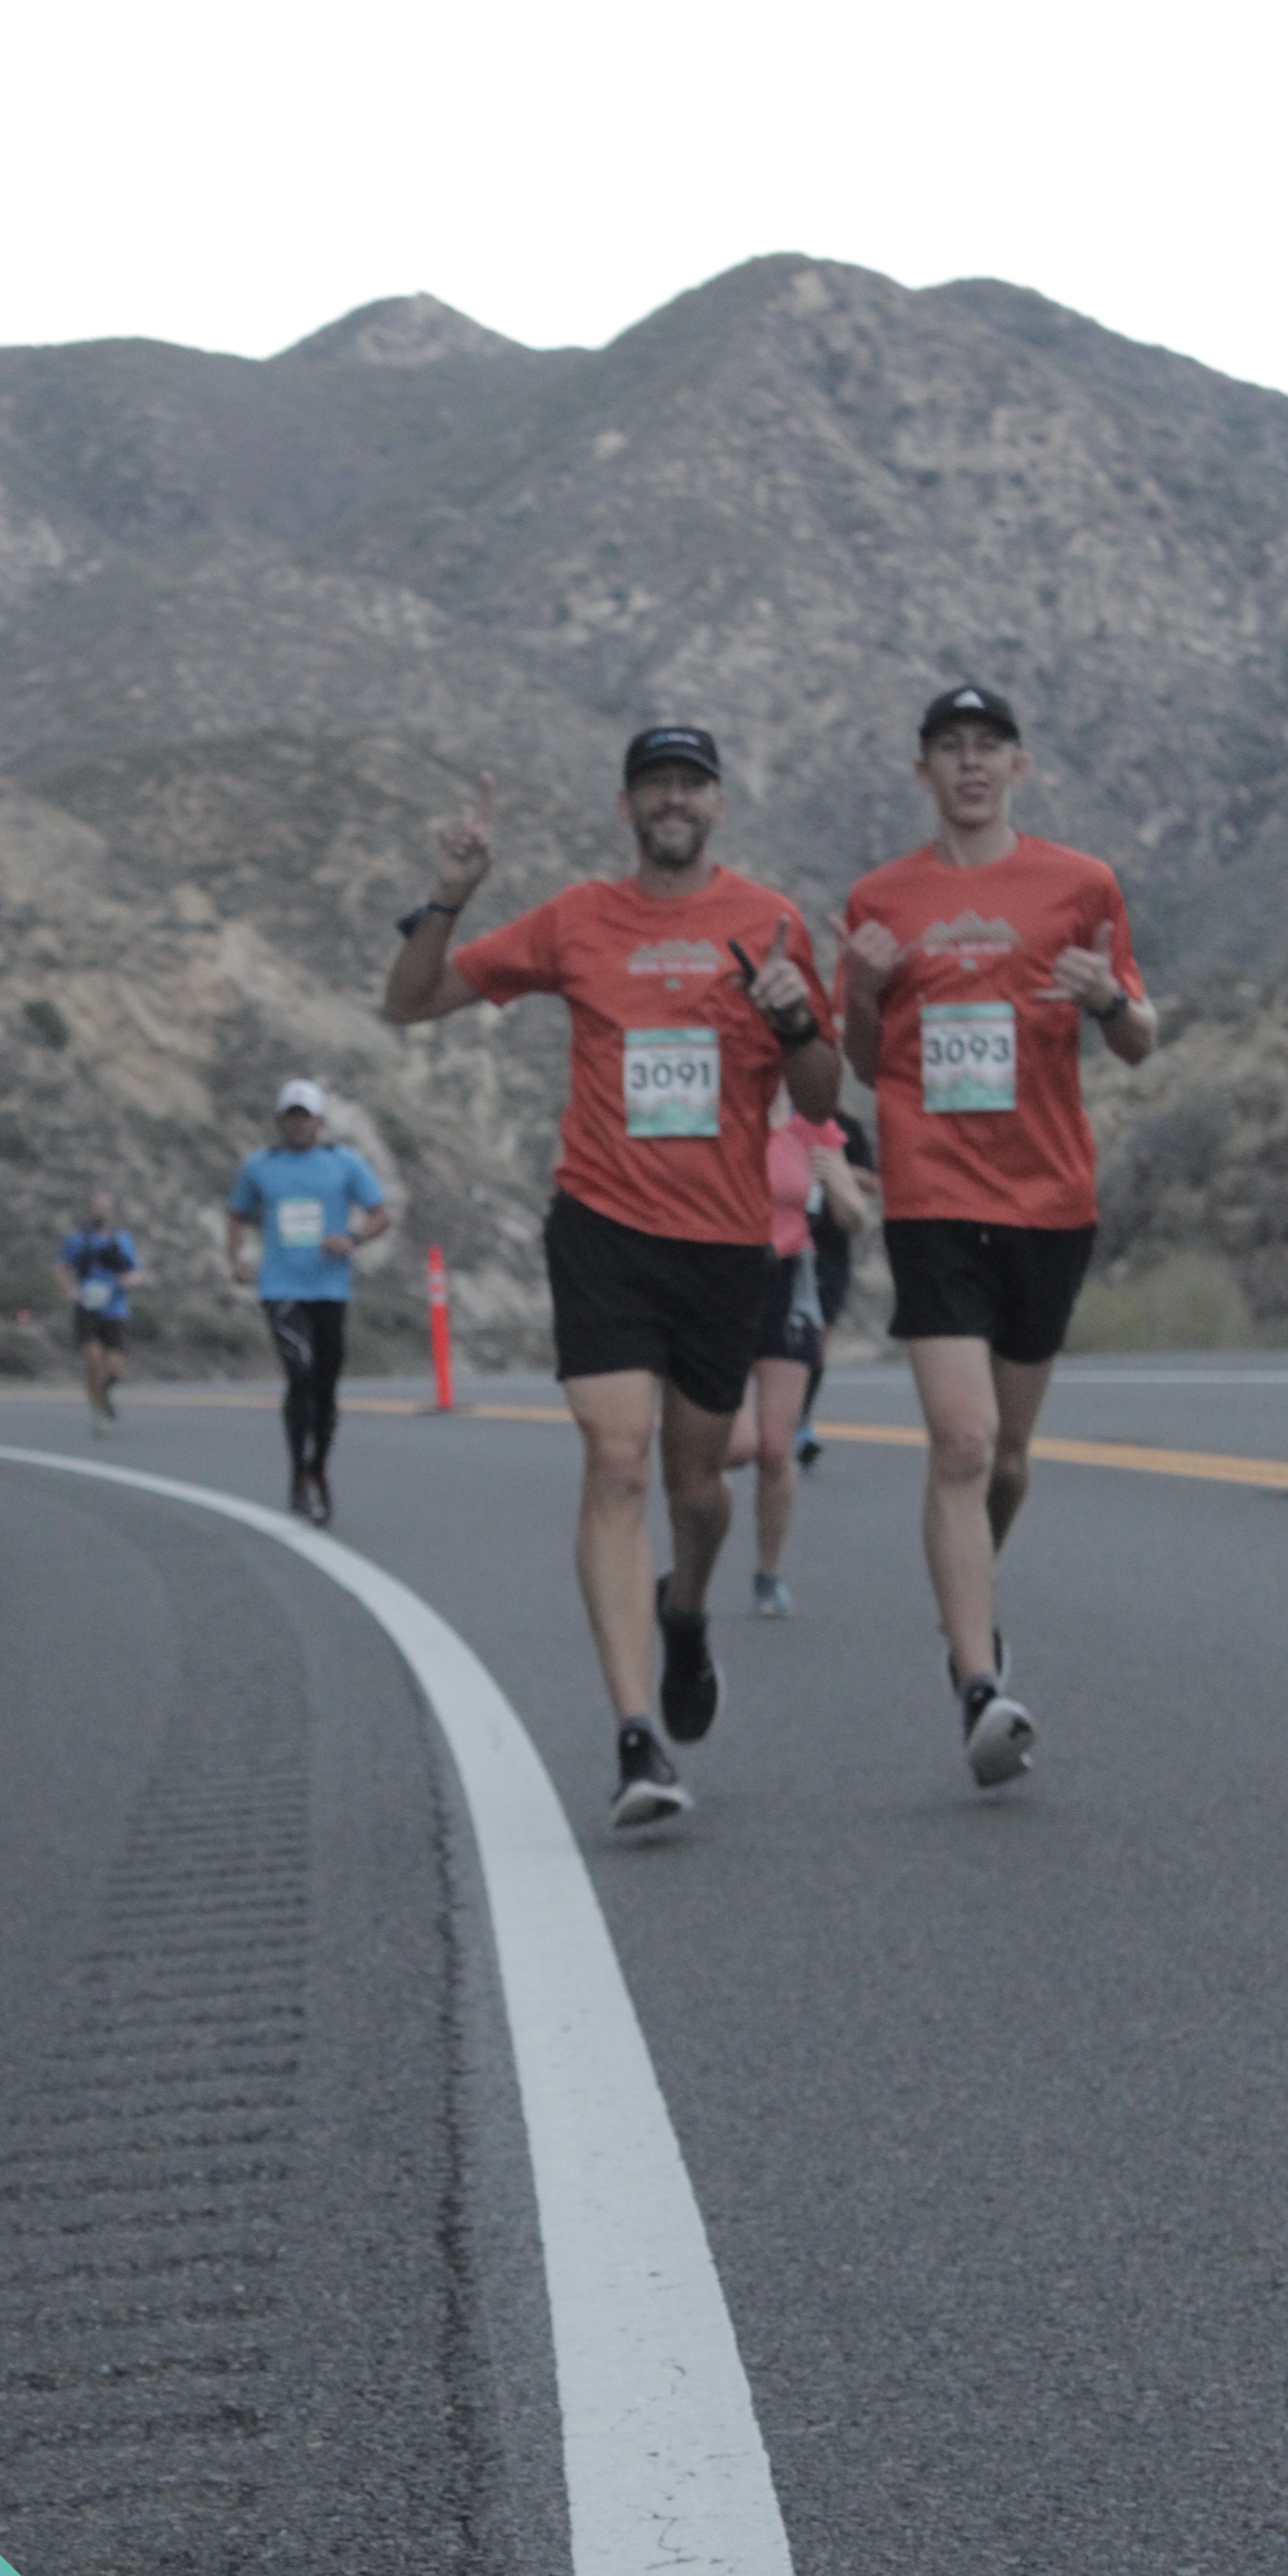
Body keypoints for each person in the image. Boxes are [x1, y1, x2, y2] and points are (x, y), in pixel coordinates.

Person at [384, 734, 839, 1828]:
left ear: (717, 804)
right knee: (617, 1459)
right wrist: (448, 898)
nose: (672, 800)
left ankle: (685, 1611)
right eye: (654, 785)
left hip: (724, 1242)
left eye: (690, 784)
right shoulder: (577, 919)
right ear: (627, 805)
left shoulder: (770, 920)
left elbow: (823, 1097)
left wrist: (795, 1019)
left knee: (698, 1487)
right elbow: (412, 1000)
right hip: (601, 1229)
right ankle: (638, 1738)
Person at [838, 683, 1155, 1787]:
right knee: (964, 1443)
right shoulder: (879, 900)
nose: (969, 764)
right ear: (922, 771)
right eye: (949, 748)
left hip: (1048, 1199)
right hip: (931, 1195)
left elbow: (1140, 1040)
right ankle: (979, 1682)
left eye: (988, 747)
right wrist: (866, 991)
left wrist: (1104, 1000)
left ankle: (969, 1604)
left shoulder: (1082, 885)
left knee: (1008, 1461)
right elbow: (863, 1061)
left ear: (1019, 767)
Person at [726, 1090, 870, 1614]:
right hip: (720, 1280)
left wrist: (835, 1182)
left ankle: (768, 1576)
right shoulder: (721, 1109)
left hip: (787, 1282)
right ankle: (697, 1535)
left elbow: (855, 1217)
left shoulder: (811, 1126)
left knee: (775, 1448)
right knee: (735, 1446)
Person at [226, 1081, 387, 1525]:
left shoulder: (344, 1163)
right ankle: (299, 1472)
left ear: (319, 1121)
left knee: (325, 1387)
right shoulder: (259, 1166)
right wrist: (236, 1258)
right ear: (281, 1120)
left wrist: (353, 1238)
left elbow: (380, 1212)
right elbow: (236, 1213)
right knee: (299, 1373)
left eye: (306, 1115)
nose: (299, 1123)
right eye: (291, 1115)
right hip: (281, 1287)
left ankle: (317, 1468)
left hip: (330, 1289)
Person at [795, 1108, 879, 1467]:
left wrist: (840, 1171)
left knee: (816, 1344)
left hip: (829, 1248)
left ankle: (800, 1420)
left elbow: (874, 1183)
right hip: (779, 1246)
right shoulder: (773, 1117)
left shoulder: (844, 1127)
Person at [56, 1194, 141, 1435]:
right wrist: (70, 1290)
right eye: (97, 1207)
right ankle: (100, 1413)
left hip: (115, 1310)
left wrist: (129, 1281)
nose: (101, 1211)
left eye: (105, 1208)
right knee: (93, 1359)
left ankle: (103, 1394)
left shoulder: (122, 1240)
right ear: (90, 1210)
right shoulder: (78, 1240)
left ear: (111, 1211)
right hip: (87, 1309)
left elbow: (135, 1270)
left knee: (115, 1371)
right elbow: (60, 1268)